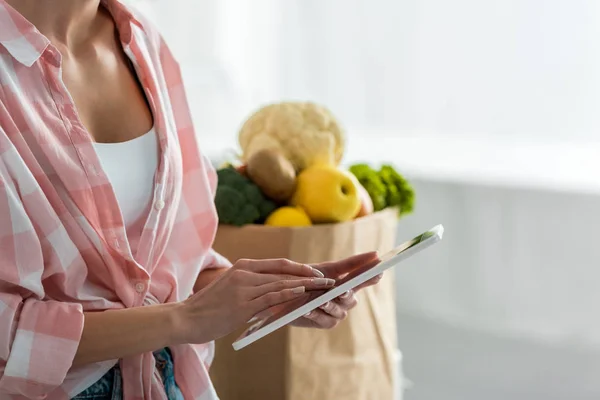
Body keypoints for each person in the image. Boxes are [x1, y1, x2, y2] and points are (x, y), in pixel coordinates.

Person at [0, 0, 384, 399]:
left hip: (169, 381)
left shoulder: (140, 40)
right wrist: (185, 319)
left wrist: (267, 295)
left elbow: (176, 265)